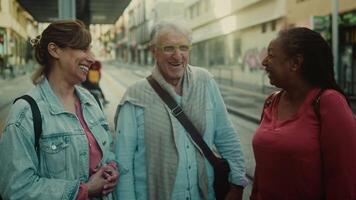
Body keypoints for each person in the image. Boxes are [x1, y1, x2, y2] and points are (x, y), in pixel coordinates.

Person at [114, 20, 248, 200]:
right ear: (154, 51)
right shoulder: (135, 95)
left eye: (183, 48)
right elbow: (123, 163)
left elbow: (226, 135)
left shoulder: (205, 82)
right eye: (169, 48)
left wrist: (237, 184)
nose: (177, 56)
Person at [0, 20, 119, 200]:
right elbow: (16, 188)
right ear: (55, 50)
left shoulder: (92, 101)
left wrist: (111, 167)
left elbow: (108, 149)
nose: (92, 58)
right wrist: (84, 190)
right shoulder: (26, 113)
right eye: (83, 49)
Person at [251, 27, 356, 200]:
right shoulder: (271, 101)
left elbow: (344, 180)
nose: (264, 62)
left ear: (295, 63)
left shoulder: (329, 102)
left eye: (271, 55)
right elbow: (261, 172)